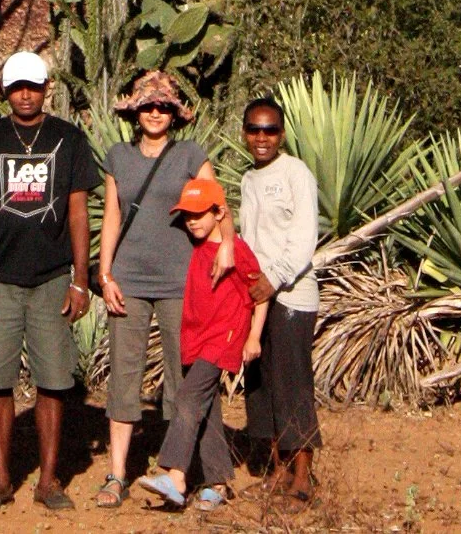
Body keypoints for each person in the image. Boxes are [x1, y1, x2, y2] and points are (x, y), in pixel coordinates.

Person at [0, 50, 99, 514]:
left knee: (54, 381)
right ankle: (1, 479)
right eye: (17, 85)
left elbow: (79, 213)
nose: (25, 93)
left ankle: (49, 480)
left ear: (46, 89)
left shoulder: (69, 140)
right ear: (5, 89)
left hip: (51, 279)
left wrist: (81, 280)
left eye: (33, 86)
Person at [93, 70, 234, 510]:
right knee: (124, 375)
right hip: (128, 280)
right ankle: (117, 475)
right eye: (148, 106)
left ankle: (186, 474)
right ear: (135, 112)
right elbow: (113, 217)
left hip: (181, 282)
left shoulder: (190, 153)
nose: (155, 112)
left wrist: (227, 248)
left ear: (174, 114)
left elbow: (218, 205)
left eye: (164, 106)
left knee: (185, 377)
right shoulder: (118, 156)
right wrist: (105, 273)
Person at [134, 179, 266, 512]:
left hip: (224, 337)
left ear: (217, 212)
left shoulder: (235, 250)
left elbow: (261, 292)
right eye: (186, 215)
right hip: (197, 336)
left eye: (199, 214)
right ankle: (218, 483)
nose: (192, 221)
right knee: (207, 409)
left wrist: (253, 336)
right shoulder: (197, 243)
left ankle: (175, 477)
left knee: (188, 397)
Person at [238, 95, 322, 511]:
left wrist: (275, 279)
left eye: (270, 130)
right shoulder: (248, 179)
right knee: (262, 384)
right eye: (254, 129)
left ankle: (303, 478)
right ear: (244, 133)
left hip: (290, 295)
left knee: (291, 383)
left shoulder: (296, 174)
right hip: (257, 298)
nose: (262, 137)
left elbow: (305, 236)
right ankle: (277, 470)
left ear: (282, 134)